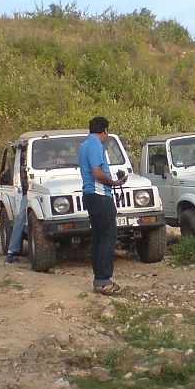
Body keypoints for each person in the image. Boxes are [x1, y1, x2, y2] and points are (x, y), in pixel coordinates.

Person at [78, 117, 127, 295]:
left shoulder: (84, 145)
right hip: (100, 196)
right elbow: (97, 172)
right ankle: (104, 280)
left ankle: (99, 280)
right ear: (105, 130)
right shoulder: (96, 145)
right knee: (108, 236)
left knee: (98, 238)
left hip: (90, 195)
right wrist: (114, 183)